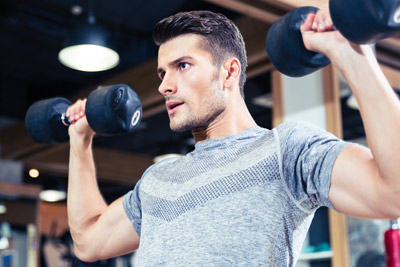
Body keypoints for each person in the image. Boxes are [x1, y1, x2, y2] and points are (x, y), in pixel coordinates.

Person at [65, 6, 400, 267]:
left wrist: (350, 53)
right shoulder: (157, 182)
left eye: (182, 65)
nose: (164, 85)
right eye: (162, 72)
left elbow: (392, 193)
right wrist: (80, 142)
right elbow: (88, 242)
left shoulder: (284, 152)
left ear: (229, 71)